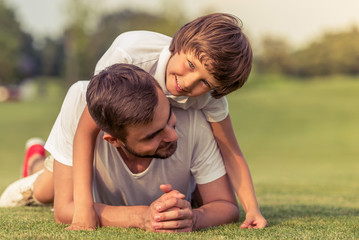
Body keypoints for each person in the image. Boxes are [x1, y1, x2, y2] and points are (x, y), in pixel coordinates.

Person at [70, 13, 267, 229]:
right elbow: (86, 130)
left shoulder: (209, 98)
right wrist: (83, 210)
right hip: (113, 146)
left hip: (160, 151)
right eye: (191, 65)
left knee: (205, 196)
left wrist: (252, 209)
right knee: (47, 188)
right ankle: (37, 165)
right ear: (180, 43)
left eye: (205, 82)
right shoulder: (129, 55)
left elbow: (231, 151)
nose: (189, 83)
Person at [0, 63, 239, 232]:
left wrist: (194, 219)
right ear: (113, 139)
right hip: (65, 172)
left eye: (168, 118)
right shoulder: (80, 100)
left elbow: (226, 206)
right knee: (45, 190)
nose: (173, 135)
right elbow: (64, 210)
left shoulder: (192, 114)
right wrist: (141, 217)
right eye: (153, 135)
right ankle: (34, 159)